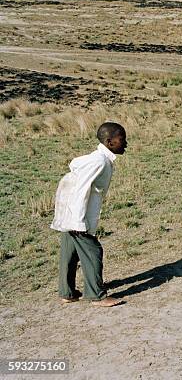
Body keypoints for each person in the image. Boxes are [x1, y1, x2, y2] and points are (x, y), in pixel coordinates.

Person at [50, 122, 128, 307]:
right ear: (109, 142)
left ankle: (67, 293)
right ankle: (96, 296)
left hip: (72, 213)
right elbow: (80, 189)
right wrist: (78, 222)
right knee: (93, 251)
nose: (125, 143)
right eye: (122, 139)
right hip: (77, 215)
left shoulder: (98, 158)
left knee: (69, 254)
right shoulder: (99, 161)